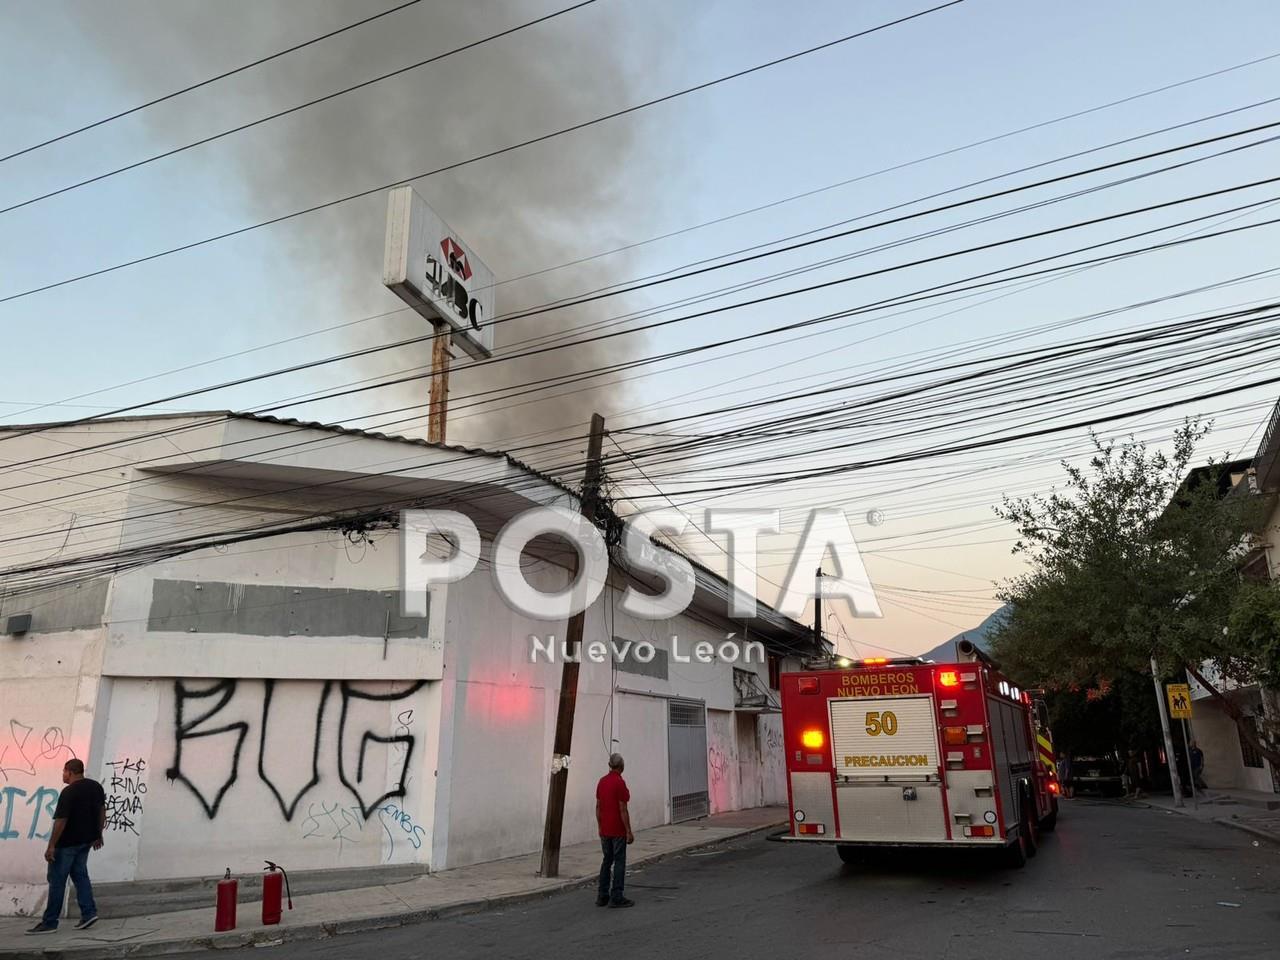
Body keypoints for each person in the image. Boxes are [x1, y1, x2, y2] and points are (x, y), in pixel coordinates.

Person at [27, 758, 105, 935]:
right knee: (80, 876)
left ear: (70, 771)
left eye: (64, 772)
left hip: (67, 844)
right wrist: (98, 834)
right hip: (86, 841)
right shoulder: (96, 787)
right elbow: (102, 811)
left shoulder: (68, 792)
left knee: (57, 881)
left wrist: (51, 845)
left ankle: (49, 922)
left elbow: (61, 820)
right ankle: (89, 913)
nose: (63, 775)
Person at [595, 753, 634, 909]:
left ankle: (602, 895)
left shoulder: (602, 782)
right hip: (617, 830)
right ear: (621, 766)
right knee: (619, 861)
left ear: (610, 765)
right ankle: (616, 895)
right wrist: (628, 831)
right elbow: (623, 809)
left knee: (607, 860)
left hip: (605, 829)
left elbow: (598, 807)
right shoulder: (620, 783)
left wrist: (599, 826)